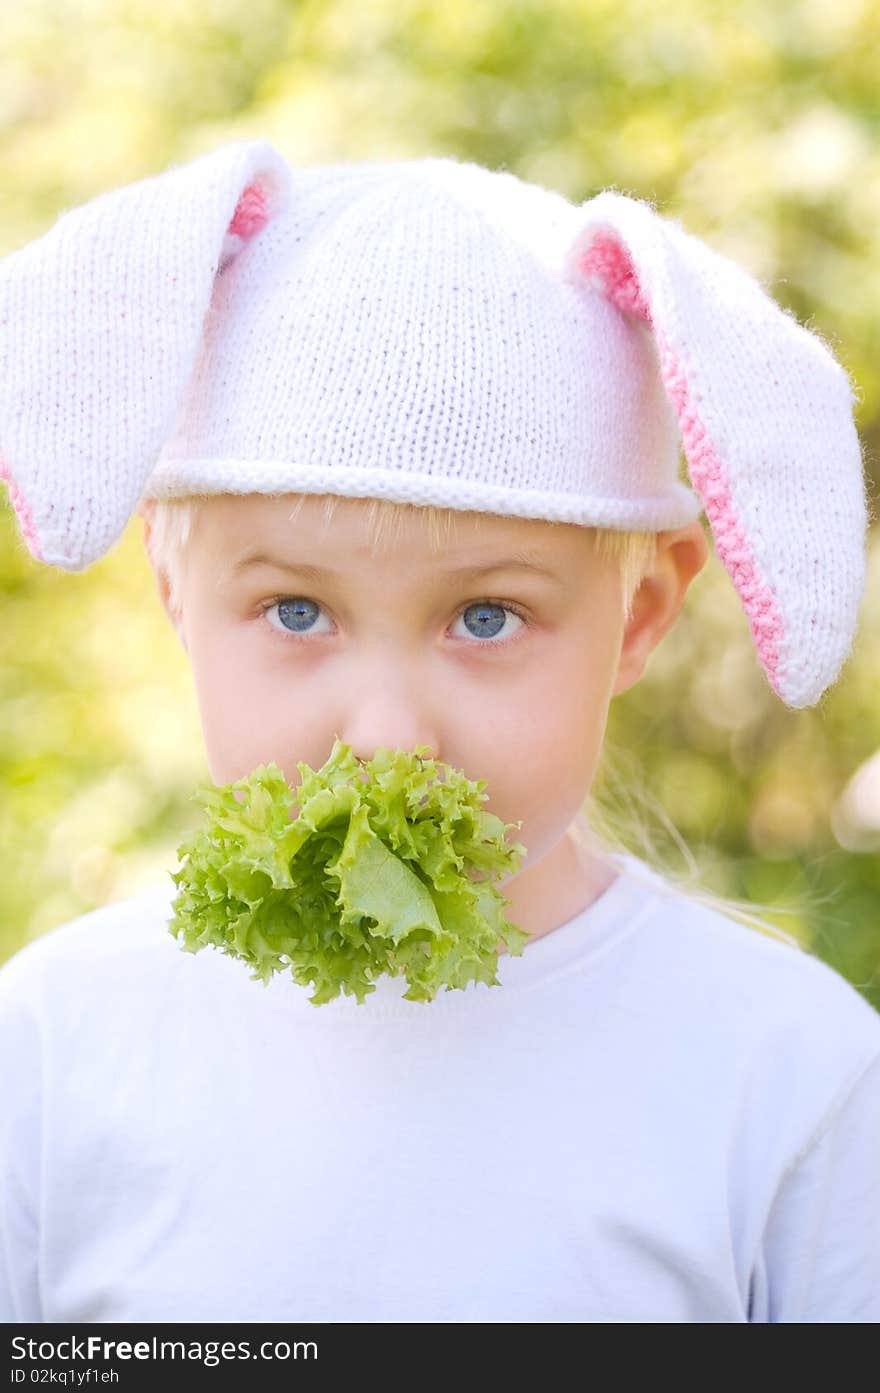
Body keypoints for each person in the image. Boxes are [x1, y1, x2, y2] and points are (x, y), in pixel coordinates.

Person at [0, 139, 878, 1324]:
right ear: (172, 587)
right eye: (295, 610)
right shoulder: (55, 1044)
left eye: (485, 615)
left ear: (642, 615)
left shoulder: (789, 1072)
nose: (385, 734)